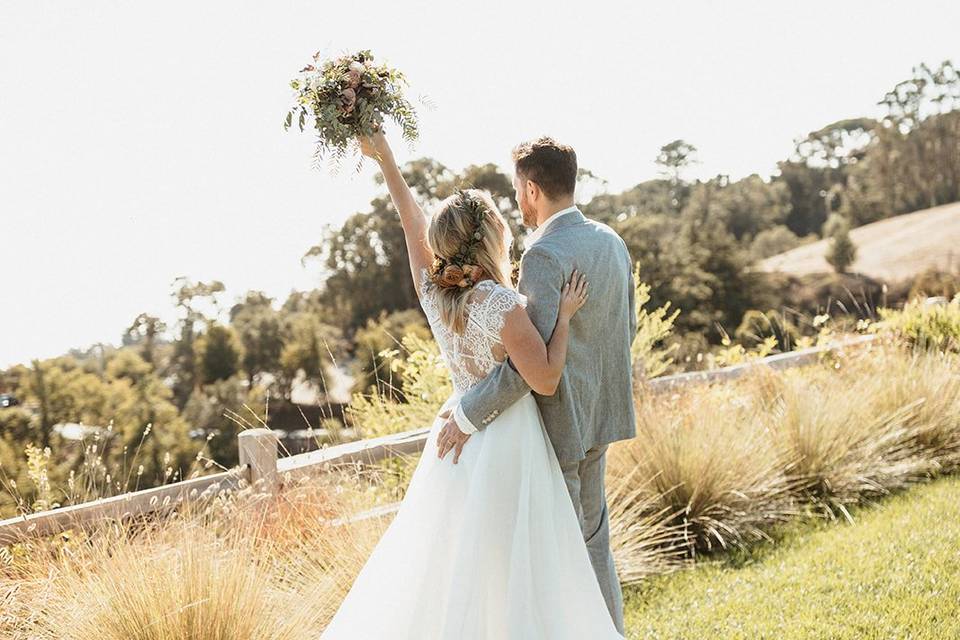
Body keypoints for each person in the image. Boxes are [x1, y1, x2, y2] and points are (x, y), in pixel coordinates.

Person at [319, 130, 626, 639]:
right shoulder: (502, 304)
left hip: (458, 454)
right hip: (514, 443)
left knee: (471, 572)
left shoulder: (436, 297)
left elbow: (410, 222)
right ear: (490, 239)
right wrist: (566, 319)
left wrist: (387, 161)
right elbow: (543, 379)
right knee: (543, 569)